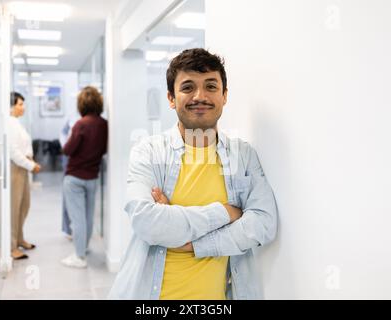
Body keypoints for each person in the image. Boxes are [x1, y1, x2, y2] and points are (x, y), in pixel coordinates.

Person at [109, 48, 278, 300]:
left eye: (211, 86)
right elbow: (147, 222)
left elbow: (264, 224)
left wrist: (192, 243)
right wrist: (227, 213)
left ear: (224, 95)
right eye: (188, 87)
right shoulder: (149, 152)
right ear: (171, 98)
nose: (200, 96)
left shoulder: (243, 155)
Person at [61, 86, 108, 268]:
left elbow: (68, 149)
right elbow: (103, 149)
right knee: (88, 216)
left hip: (74, 177)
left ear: (81, 104)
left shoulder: (80, 124)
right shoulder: (104, 124)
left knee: (77, 218)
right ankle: (83, 248)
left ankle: (79, 257)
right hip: (92, 177)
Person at [8, 92, 41, 260]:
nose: (23, 107)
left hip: (23, 168)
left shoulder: (16, 123)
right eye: (20, 104)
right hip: (17, 168)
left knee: (23, 206)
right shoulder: (10, 123)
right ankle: (11, 247)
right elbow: (13, 152)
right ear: (11, 106)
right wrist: (31, 165)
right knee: (14, 208)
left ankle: (20, 238)